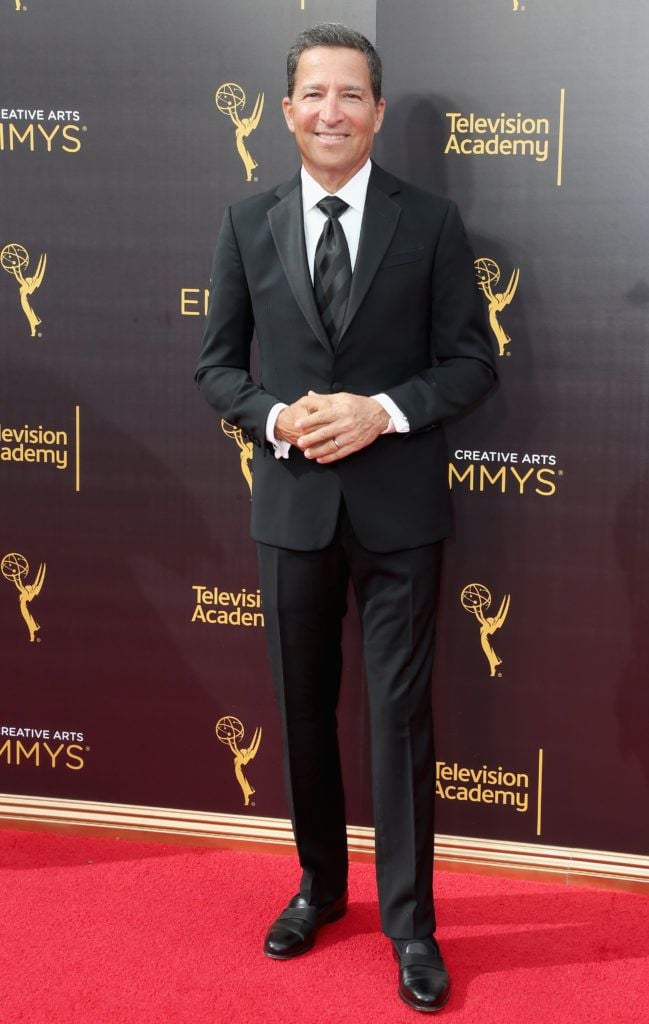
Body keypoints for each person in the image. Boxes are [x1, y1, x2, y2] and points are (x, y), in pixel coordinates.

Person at [196, 23, 496, 1013]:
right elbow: (217, 366)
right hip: (290, 511)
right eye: (313, 94)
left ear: (374, 110)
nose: (331, 111)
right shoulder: (248, 221)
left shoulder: (433, 223)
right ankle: (319, 888)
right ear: (286, 111)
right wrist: (280, 416)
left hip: (402, 513)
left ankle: (413, 926)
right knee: (301, 712)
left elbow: (469, 364)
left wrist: (383, 410)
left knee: (401, 719)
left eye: (351, 95)